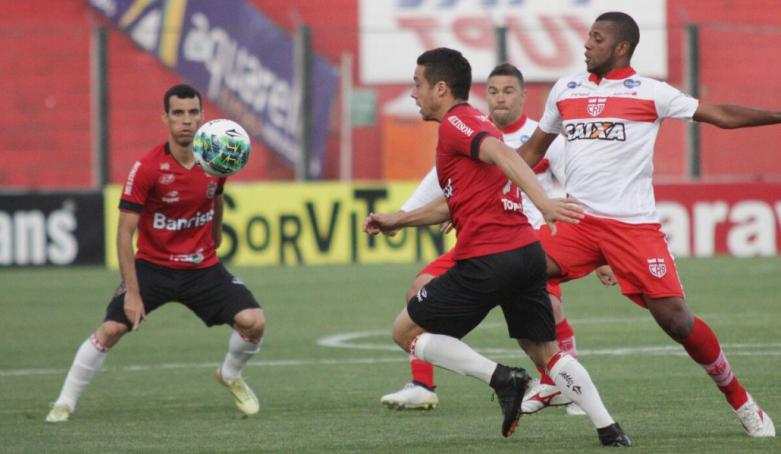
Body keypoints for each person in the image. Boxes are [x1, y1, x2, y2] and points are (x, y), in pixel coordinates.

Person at [518, 11, 777, 438]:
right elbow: (530, 153)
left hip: (632, 229)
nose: (586, 44)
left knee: (677, 321)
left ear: (621, 48)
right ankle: (554, 376)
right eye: (588, 36)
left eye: (596, 38)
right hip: (578, 222)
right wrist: (482, 193)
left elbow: (721, 115)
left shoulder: (651, 92)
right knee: (516, 270)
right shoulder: (565, 90)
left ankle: (742, 401)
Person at [364, 48, 630, 446]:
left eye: (417, 84)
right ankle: (609, 429)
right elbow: (453, 201)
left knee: (406, 330)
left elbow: (502, 152)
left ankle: (502, 379)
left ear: (440, 88)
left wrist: (543, 201)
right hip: (525, 255)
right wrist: (399, 219)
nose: (413, 93)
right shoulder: (472, 123)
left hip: (489, 257)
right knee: (546, 351)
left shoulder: (459, 123)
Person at [45, 84, 265, 423]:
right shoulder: (147, 168)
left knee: (254, 322)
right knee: (111, 330)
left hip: (201, 267)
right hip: (153, 268)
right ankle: (64, 403)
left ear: (202, 117)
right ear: (165, 118)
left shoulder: (215, 159)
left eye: (193, 113)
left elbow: (216, 194)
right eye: (178, 113)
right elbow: (123, 232)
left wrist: (216, 233)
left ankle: (231, 375)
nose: (186, 121)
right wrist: (132, 293)